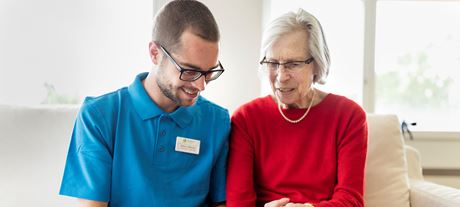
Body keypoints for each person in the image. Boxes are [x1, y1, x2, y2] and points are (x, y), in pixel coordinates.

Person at [59, 1, 229, 206]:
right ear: (155, 53)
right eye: (190, 71)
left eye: (209, 72)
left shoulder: (217, 121)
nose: (201, 85)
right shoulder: (98, 116)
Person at [226, 9, 368, 207]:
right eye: (273, 63)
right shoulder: (246, 119)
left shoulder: (349, 117)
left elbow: (351, 200)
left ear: (317, 64)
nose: (281, 76)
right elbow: (238, 203)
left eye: (292, 64)